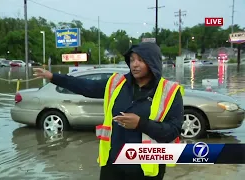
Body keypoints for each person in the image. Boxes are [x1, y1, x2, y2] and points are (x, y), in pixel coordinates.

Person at [33, 42, 184, 180]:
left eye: (140, 60)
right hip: (113, 165)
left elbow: (173, 130)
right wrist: (53, 77)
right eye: (132, 60)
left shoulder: (170, 91)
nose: (135, 65)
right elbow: (85, 86)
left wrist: (141, 124)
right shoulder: (116, 84)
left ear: (153, 62)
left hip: (146, 170)